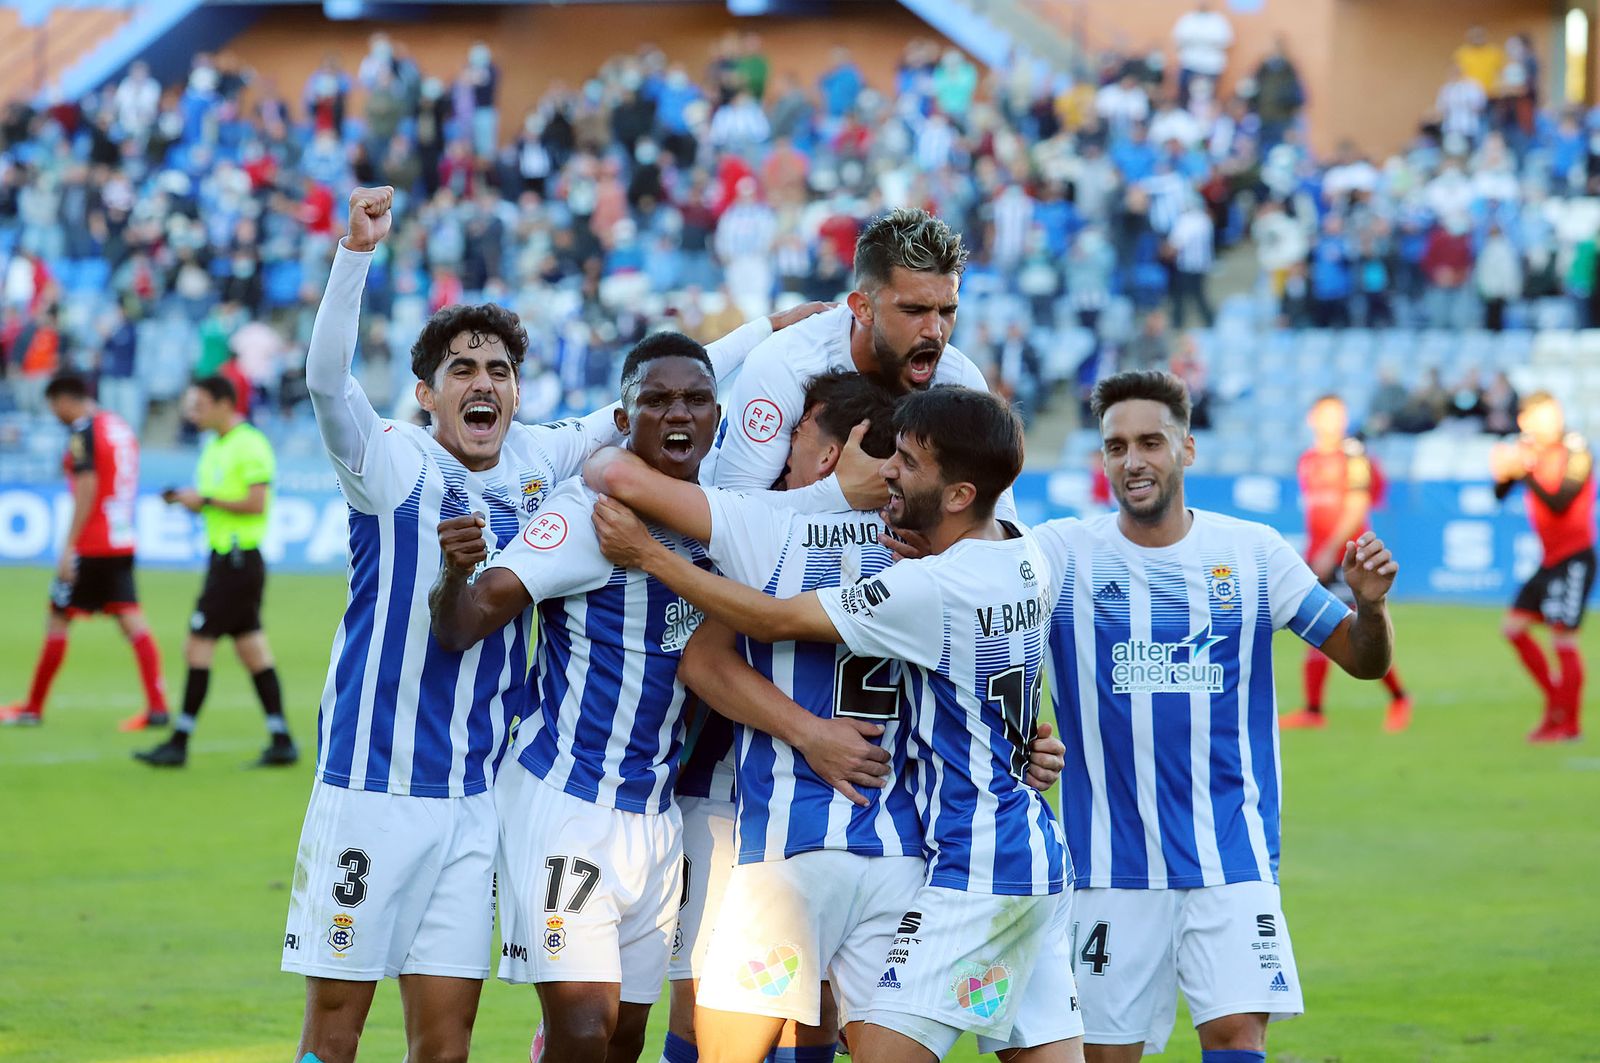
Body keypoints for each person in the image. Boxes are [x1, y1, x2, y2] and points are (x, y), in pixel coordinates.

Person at [281, 187, 782, 1063]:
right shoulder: (388, 461)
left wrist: (777, 325)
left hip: (476, 799)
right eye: (463, 371)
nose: (484, 384)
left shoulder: (534, 461)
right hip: (371, 785)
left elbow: (657, 392)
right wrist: (355, 255)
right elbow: (326, 379)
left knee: (446, 1044)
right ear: (427, 395)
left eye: (499, 371)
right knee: (335, 1032)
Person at [583, 371, 1070, 1063]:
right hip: (918, 850)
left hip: (805, 848)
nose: (781, 453)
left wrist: (647, 554)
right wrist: (1030, 745)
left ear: (836, 449)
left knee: (718, 1049)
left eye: (798, 436)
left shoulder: (805, 537)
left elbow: (720, 647)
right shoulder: (1022, 552)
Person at [1031, 371, 1398, 1063]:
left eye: (1150, 441)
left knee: (1237, 1040)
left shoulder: (1253, 553)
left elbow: (1362, 658)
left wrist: (1372, 608)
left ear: (1187, 449)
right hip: (1110, 864)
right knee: (1107, 1055)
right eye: (1116, 446)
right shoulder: (1062, 553)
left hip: (1231, 854)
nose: (1133, 459)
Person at [426, 332, 730, 1063]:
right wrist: (451, 571)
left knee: (625, 1036)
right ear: (623, 421)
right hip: (565, 802)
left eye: (692, 399)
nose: (675, 413)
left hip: (653, 817)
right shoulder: (586, 513)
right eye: (654, 400)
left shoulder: (715, 515)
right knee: (585, 1029)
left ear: (717, 416)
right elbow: (465, 622)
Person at [702, 207, 1012, 520]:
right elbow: (731, 514)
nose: (935, 330)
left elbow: (999, 527)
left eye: (947, 310)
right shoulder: (786, 364)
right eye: (914, 310)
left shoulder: (959, 380)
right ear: (862, 308)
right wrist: (839, 495)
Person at [135, 375, 297, 768]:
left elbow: (256, 503)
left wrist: (205, 499)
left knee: (197, 644)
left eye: (199, 404)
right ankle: (281, 738)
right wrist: (190, 501)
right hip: (226, 560)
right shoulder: (214, 447)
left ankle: (179, 740)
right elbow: (219, 502)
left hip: (238, 562)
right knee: (252, 650)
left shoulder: (250, 444)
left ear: (225, 403)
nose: (193, 413)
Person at [2, 372, 169, 730]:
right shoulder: (118, 426)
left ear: (65, 399)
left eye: (53, 406)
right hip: (121, 537)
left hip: (93, 543)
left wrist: (68, 546)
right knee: (131, 619)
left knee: (57, 618)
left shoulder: (83, 432)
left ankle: (32, 708)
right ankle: (157, 706)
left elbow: (88, 486)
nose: (54, 414)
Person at [1282, 396, 1411, 732]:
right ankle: (1312, 710)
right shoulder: (1308, 460)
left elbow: (1356, 508)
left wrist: (1329, 550)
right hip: (1320, 556)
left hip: (1348, 557)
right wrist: (1315, 552)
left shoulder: (1353, 458)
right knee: (1313, 626)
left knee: (1357, 629)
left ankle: (1399, 698)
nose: (1333, 423)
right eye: (1327, 415)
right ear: (1312, 418)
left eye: (1338, 416)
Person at [1492, 391, 1595, 741]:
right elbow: (1500, 494)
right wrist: (1505, 473)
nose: (1552, 422)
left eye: (1554, 414)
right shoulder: (1528, 452)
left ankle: (1568, 724)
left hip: (1575, 556)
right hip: (1550, 559)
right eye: (1542, 417)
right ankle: (1556, 704)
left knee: (1563, 637)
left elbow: (1561, 503)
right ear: (1525, 422)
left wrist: (1526, 472)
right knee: (1513, 627)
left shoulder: (1576, 450)